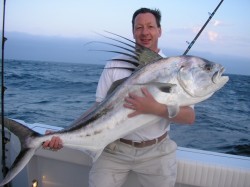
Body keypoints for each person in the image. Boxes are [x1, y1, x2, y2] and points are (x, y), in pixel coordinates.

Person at [43, 8, 195, 187]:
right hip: (114, 148)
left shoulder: (175, 69)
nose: (145, 32)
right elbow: (97, 108)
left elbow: (189, 117)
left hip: (156, 151)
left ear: (159, 31)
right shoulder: (114, 65)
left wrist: (154, 108)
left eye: (150, 26)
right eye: (139, 27)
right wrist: (63, 133)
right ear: (132, 32)